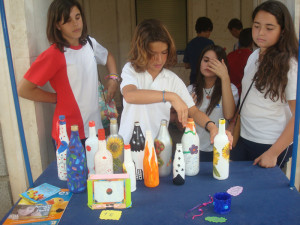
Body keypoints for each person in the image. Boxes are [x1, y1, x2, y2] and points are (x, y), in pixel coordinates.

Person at [17, 0, 118, 147]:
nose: (75, 24)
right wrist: (56, 98)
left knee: (98, 169)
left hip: (95, 129)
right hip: (70, 135)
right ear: (57, 25)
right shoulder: (54, 54)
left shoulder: (89, 43)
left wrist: (113, 78)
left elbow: (108, 56)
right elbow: (23, 89)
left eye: (77, 17)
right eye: (68, 21)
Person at [119, 19, 233, 148]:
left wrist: (212, 127)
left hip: (157, 148)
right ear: (141, 51)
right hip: (128, 145)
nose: (159, 59)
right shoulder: (131, 69)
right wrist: (170, 96)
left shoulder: (171, 79)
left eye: (164, 52)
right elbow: (130, 95)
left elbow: (194, 111)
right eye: (153, 53)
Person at [230, 0, 298, 168]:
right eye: (256, 26)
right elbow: (248, 97)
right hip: (244, 139)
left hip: (270, 144)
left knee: (263, 194)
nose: (260, 32)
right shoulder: (253, 56)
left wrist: (273, 152)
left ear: (282, 31)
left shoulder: (290, 65)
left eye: (269, 28)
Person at [188, 45, 239, 162]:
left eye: (214, 62)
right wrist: (188, 112)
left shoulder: (230, 89)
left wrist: (225, 77)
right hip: (194, 147)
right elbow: (182, 126)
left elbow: (229, 115)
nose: (208, 65)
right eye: (205, 61)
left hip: (220, 147)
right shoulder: (190, 90)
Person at [183, 17, 214, 85]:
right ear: (208, 29)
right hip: (207, 78)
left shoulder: (190, 44)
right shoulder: (210, 43)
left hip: (194, 79)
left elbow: (186, 65)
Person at [227, 28, 253, 96]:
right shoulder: (252, 57)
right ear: (252, 42)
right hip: (244, 94)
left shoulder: (230, 55)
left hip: (229, 93)